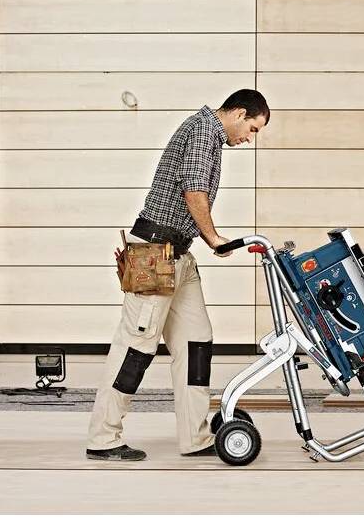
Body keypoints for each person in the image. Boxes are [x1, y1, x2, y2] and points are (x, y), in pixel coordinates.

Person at [86, 89, 270, 460]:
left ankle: (196, 437)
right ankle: (103, 438)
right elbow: (193, 189)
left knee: (196, 343)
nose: (249, 138)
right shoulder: (203, 130)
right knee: (136, 346)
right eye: (252, 128)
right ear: (237, 112)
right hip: (155, 251)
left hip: (179, 253)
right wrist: (214, 237)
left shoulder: (208, 135)